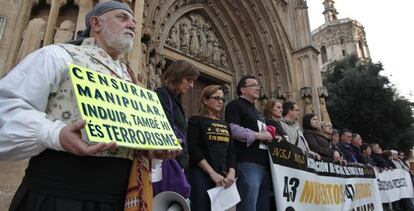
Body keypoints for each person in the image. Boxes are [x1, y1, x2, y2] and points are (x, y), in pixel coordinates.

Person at [0, 2, 179, 211]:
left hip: (119, 200)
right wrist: (55, 134)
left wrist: (155, 148)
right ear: (96, 23)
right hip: (61, 195)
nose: (132, 25)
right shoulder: (57, 56)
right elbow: (7, 107)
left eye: (134, 21)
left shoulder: (132, 80)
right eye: (122, 18)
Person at [225, 75, 273, 211]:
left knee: (262, 206)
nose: (257, 88)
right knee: (248, 206)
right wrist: (259, 135)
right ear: (243, 89)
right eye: (253, 85)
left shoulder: (257, 111)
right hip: (247, 163)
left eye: (258, 85)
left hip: (263, 165)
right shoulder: (235, 105)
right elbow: (232, 129)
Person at [153, 59, 199, 196]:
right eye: (188, 80)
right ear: (177, 75)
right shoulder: (162, 94)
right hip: (167, 160)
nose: (191, 85)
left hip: (178, 160)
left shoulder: (175, 99)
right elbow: (165, 125)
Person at [187, 85, 236, 211]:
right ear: (205, 100)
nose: (220, 101)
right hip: (201, 174)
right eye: (216, 98)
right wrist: (212, 173)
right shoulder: (195, 120)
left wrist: (231, 172)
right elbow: (194, 149)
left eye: (222, 99)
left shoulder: (225, 124)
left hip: (224, 177)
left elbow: (231, 151)